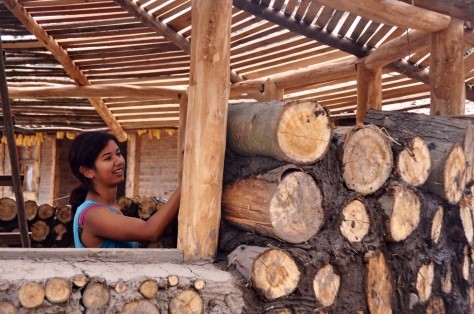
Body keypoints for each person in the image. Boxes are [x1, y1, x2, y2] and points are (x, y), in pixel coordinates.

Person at [69, 131, 181, 248]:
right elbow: (150, 231)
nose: (119, 161)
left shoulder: (111, 208)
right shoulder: (92, 214)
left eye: (118, 154)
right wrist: (185, 185)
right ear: (88, 171)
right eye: (108, 158)